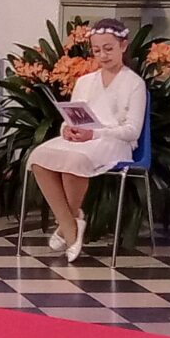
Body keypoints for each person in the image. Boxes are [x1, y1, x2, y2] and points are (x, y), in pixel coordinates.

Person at [26, 18, 147, 263]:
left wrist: (95, 134)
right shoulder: (84, 81)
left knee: (75, 159)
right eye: (97, 50)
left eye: (108, 49)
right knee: (38, 158)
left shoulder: (135, 84)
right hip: (82, 138)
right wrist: (66, 130)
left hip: (113, 142)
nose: (103, 55)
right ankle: (71, 223)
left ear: (123, 46)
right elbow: (72, 117)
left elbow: (132, 131)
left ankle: (67, 229)